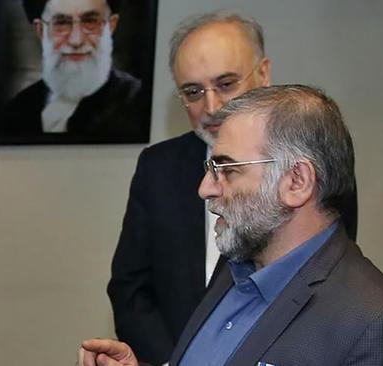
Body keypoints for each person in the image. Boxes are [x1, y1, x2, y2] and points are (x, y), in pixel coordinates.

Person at [106, 11, 358, 365]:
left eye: (226, 84)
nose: (212, 107)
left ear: (264, 73)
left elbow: (323, 282)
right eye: (193, 91)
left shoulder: (308, 164)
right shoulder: (158, 166)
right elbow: (130, 287)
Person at [79, 85, 383, 366]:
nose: (205, 189)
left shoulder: (372, 322)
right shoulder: (235, 268)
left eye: (226, 169)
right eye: (211, 167)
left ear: (297, 181)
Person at [0, 0, 148, 143]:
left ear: (111, 26)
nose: (76, 40)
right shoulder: (18, 109)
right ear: (41, 30)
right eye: (61, 23)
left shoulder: (136, 100)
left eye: (90, 22)